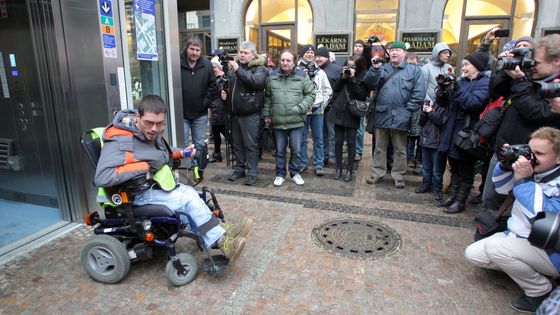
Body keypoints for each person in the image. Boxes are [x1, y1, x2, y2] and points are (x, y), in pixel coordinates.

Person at [94, 95, 251, 262]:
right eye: (149, 123)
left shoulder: (149, 133)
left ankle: (220, 231)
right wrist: (140, 168)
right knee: (186, 201)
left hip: (152, 186)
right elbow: (102, 177)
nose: (155, 128)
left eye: (160, 123)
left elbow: (160, 154)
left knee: (191, 193)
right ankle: (222, 242)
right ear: (138, 117)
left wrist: (181, 152)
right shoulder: (120, 141)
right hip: (133, 195)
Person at [465, 127, 560, 313]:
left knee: (495, 249)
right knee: (473, 253)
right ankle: (525, 267)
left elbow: (545, 217)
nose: (530, 158)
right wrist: (506, 164)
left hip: (550, 250)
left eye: (539, 153)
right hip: (521, 238)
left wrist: (524, 181)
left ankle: (539, 291)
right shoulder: (535, 170)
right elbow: (502, 189)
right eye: (529, 151)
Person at [482, 34, 560, 212]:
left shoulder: (553, 86)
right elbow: (496, 91)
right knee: (491, 200)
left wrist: (520, 80)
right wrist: (507, 72)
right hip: (505, 150)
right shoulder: (530, 76)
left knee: (518, 208)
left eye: (537, 63)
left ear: (555, 61)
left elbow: (534, 111)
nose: (532, 66)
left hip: (534, 160)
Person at [364, 40, 426, 189]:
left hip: (401, 116)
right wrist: (374, 69)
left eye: (398, 50)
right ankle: (377, 172)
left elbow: (419, 93)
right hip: (381, 114)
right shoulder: (382, 68)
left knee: (400, 149)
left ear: (404, 53)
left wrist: (408, 110)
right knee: (379, 147)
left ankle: (398, 175)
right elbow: (369, 84)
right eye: (392, 50)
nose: (394, 52)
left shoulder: (414, 70)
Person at [436, 52, 490, 214]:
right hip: (453, 129)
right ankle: (453, 196)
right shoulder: (462, 82)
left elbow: (472, 103)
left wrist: (456, 87)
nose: (463, 68)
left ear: (477, 67)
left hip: (468, 133)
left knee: (466, 169)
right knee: (454, 166)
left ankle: (460, 201)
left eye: (467, 65)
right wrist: (443, 91)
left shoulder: (485, 83)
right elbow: (444, 104)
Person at [263, 50, 316, 187]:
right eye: (283, 60)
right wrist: (267, 114)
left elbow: (311, 94)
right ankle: (280, 174)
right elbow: (268, 97)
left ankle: (294, 173)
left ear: (294, 62)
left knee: (296, 150)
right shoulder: (272, 76)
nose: (285, 63)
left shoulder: (302, 76)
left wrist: (300, 108)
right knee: (280, 150)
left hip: (296, 121)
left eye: (288, 60)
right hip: (278, 121)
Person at [221, 41, 268, 186]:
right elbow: (227, 84)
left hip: (250, 113)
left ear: (253, 54)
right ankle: (239, 169)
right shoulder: (233, 68)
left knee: (250, 145)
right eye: (240, 52)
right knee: (237, 144)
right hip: (234, 113)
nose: (241, 54)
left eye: (245, 52)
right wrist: (223, 92)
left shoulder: (260, 68)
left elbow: (257, 83)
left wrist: (238, 71)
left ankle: (252, 173)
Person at [326, 54, 368, 182]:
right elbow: (335, 89)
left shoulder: (363, 77)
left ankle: (350, 170)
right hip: (339, 112)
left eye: (353, 66)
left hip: (352, 114)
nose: (350, 68)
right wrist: (343, 77)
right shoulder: (343, 74)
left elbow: (361, 95)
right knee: (338, 142)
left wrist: (352, 78)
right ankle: (338, 168)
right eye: (348, 65)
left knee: (351, 143)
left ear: (359, 67)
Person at [180, 38, 217, 168]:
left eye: (197, 50)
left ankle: (197, 168)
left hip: (200, 113)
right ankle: (185, 168)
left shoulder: (206, 64)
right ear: (186, 48)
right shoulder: (178, 62)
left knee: (199, 144)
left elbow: (213, 85)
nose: (195, 53)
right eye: (192, 49)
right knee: (183, 145)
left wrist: (205, 102)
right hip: (182, 113)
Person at [297, 45, 332, 176]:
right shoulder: (296, 71)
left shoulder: (320, 72)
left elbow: (328, 90)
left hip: (317, 109)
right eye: (307, 52)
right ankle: (302, 163)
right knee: (302, 138)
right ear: (302, 54)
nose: (310, 54)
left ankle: (318, 164)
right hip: (302, 109)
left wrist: (322, 103)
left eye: (312, 52)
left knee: (318, 138)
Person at [316, 46, 342, 166]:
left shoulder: (337, 69)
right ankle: (324, 156)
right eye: (316, 56)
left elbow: (341, 89)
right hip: (320, 108)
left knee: (333, 135)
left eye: (320, 56)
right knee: (321, 135)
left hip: (332, 108)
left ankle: (336, 157)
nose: (318, 58)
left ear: (327, 57)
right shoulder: (315, 69)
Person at [416, 100, 445, 201]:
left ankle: (437, 189)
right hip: (426, 140)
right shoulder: (432, 105)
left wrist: (430, 112)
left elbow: (441, 121)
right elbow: (421, 123)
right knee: (426, 167)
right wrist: (424, 112)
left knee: (437, 170)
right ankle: (425, 184)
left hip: (437, 142)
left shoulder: (445, 107)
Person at [208, 61, 227, 163]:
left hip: (220, 109)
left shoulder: (223, 78)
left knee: (223, 131)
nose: (213, 69)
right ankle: (217, 153)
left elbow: (221, 94)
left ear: (218, 68)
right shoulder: (214, 78)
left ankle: (236, 151)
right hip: (215, 108)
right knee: (215, 132)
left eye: (214, 67)